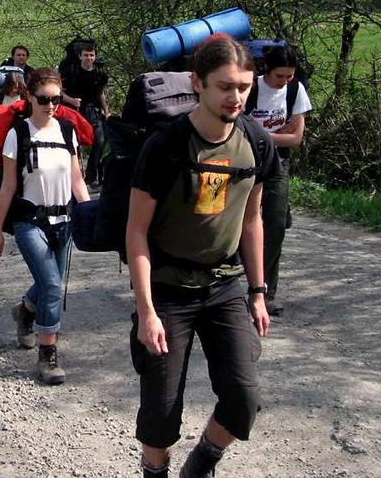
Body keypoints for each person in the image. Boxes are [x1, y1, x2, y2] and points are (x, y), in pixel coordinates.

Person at [126, 34, 277, 478]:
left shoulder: (257, 143)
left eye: (244, 87)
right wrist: (146, 311)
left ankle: (203, 462)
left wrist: (258, 290)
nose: (236, 97)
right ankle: (155, 471)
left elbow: (253, 220)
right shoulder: (166, 147)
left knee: (243, 397)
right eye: (225, 86)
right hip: (168, 289)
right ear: (197, 83)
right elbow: (135, 232)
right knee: (160, 411)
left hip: (225, 284)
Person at [0, 67, 90, 385]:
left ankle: (24, 312)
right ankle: (48, 356)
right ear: (30, 97)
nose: (51, 105)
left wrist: (88, 214)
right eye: (44, 99)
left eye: (56, 99)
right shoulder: (17, 134)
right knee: (51, 286)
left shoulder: (66, 131)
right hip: (29, 221)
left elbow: (76, 177)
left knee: (51, 282)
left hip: (63, 221)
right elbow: (7, 187)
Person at [246, 45, 312, 318]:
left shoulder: (296, 90)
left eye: (289, 76)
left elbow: (296, 139)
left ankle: (265, 292)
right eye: (279, 77)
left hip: (278, 163)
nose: (285, 81)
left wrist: (260, 134)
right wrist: (274, 134)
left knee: (275, 225)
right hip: (246, 161)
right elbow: (236, 130)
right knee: (238, 222)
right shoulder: (250, 89)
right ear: (266, 71)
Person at [61, 42, 110, 186]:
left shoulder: (100, 74)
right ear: (80, 56)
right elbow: (59, 92)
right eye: (86, 55)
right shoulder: (71, 72)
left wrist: (106, 110)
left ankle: (91, 176)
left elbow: (100, 93)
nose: (89, 58)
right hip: (72, 111)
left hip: (92, 111)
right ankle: (74, 176)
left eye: (91, 55)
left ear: (95, 57)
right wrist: (72, 100)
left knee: (99, 141)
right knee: (73, 143)